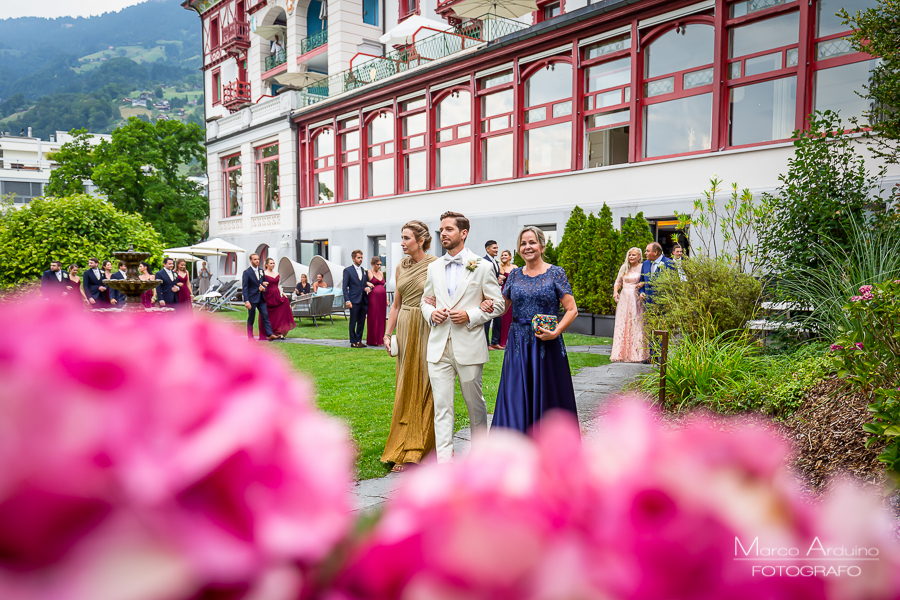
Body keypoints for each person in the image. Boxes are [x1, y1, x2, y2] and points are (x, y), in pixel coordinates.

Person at [420, 211, 504, 463]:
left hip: (468, 346)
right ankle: (444, 463)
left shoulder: (483, 266)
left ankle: (480, 457)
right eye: (441, 230)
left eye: (449, 229)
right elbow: (425, 301)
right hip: (438, 348)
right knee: (442, 407)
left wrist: (470, 315)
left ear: (463, 233)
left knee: (474, 404)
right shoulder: (434, 267)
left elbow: (498, 304)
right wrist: (431, 313)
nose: (443, 234)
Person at [491, 226, 579, 434]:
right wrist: (482, 300)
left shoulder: (556, 273)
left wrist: (556, 332)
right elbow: (501, 307)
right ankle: (515, 443)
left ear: (542, 246)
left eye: (532, 242)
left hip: (547, 343)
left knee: (548, 393)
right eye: (523, 243)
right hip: (518, 343)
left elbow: (571, 309)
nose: (527, 247)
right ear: (518, 249)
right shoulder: (513, 275)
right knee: (515, 394)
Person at [381, 221, 439, 471]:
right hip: (404, 326)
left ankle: (418, 449)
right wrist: (387, 333)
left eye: (406, 238)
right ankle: (400, 446)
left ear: (421, 240)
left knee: (425, 385)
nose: (402, 242)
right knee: (405, 386)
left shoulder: (436, 265)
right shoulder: (400, 266)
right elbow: (395, 305)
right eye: (402, 238)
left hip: (426, 326)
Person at [611, 248, 649, 363]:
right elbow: (618, 282)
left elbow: (646, 280)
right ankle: (621, 353)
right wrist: (615, 292)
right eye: (630, 255)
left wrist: (642, 284)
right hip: (624, 298)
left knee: (636, 322)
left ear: (639, 257)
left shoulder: (643, 267)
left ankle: (637, 353)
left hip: (636, 297)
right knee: (623, 322)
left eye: (634, 255)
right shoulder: (624, 267)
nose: (631, 257)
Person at [258, 257, 295, 340]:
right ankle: (269, 333)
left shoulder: (276, 273)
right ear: (266, 264)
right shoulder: (263, 273)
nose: (272, 265)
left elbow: (278, 285)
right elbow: (260, 284)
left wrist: (282, 292)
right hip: (268, 295)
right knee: (268, 314)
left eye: (273, 263)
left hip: (277, 294)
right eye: (271, 263)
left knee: (283, 306)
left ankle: (280, 332)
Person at [242, 253, 276, 341]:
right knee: (251, 318)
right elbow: (245, 287)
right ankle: (250, 337)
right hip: (252, 298)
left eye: (258, 259)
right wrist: (246, 301)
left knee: (265, 316)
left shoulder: (261, 271)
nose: (257, 261)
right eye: (255, 259)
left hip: (261, 298)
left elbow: (264, 283)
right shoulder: (247, 272)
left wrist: (263, 288)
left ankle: (270, 334)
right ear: (251, 261)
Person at [342, 249, 369, 348]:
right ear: (353, 259)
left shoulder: (364, 270)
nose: (361, 259)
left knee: (361, 321)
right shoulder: (348, 270)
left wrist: (368, 287)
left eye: (361, 257)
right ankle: (353, 341)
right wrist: (347, 300)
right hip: (353, 300)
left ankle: (359, 340)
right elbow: (344, 287)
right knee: (353, 321)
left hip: (363, 299)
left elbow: (364, 283)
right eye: (358, 258)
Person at [483, 240, 503, 350]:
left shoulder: (495, 262)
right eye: (494, 248)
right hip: (487, 296)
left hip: (496, 294)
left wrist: (499, 279)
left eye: (497, 248)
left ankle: (495, 342)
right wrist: (497, 281)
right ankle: (486, 343)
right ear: (488, 249)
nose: (497, 250)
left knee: (498, 318)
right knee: (487, 320)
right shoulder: (483, 261)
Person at [365, 256, 387, 347]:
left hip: (382, 297)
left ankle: (380, 339)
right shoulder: (369, 273)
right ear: (373, 264)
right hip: (373, 297)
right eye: (377, 264)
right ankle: (373, 340)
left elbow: (383, 286)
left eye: (380, 265)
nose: (379, 266)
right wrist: (368, 283)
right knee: (374, 316)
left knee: (382, 317)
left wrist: (387, 299)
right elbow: (362, 282)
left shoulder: (381, 273)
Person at [498, 249, 516, 348]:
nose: (503, 257)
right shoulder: (500, 267)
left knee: (512, 316)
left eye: (505, 255)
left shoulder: (515, 267)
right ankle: (503, 342)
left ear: (510, 257)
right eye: (502, 255)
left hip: (513, 292)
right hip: (503, 291)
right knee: (504, 316)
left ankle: (512, 340)